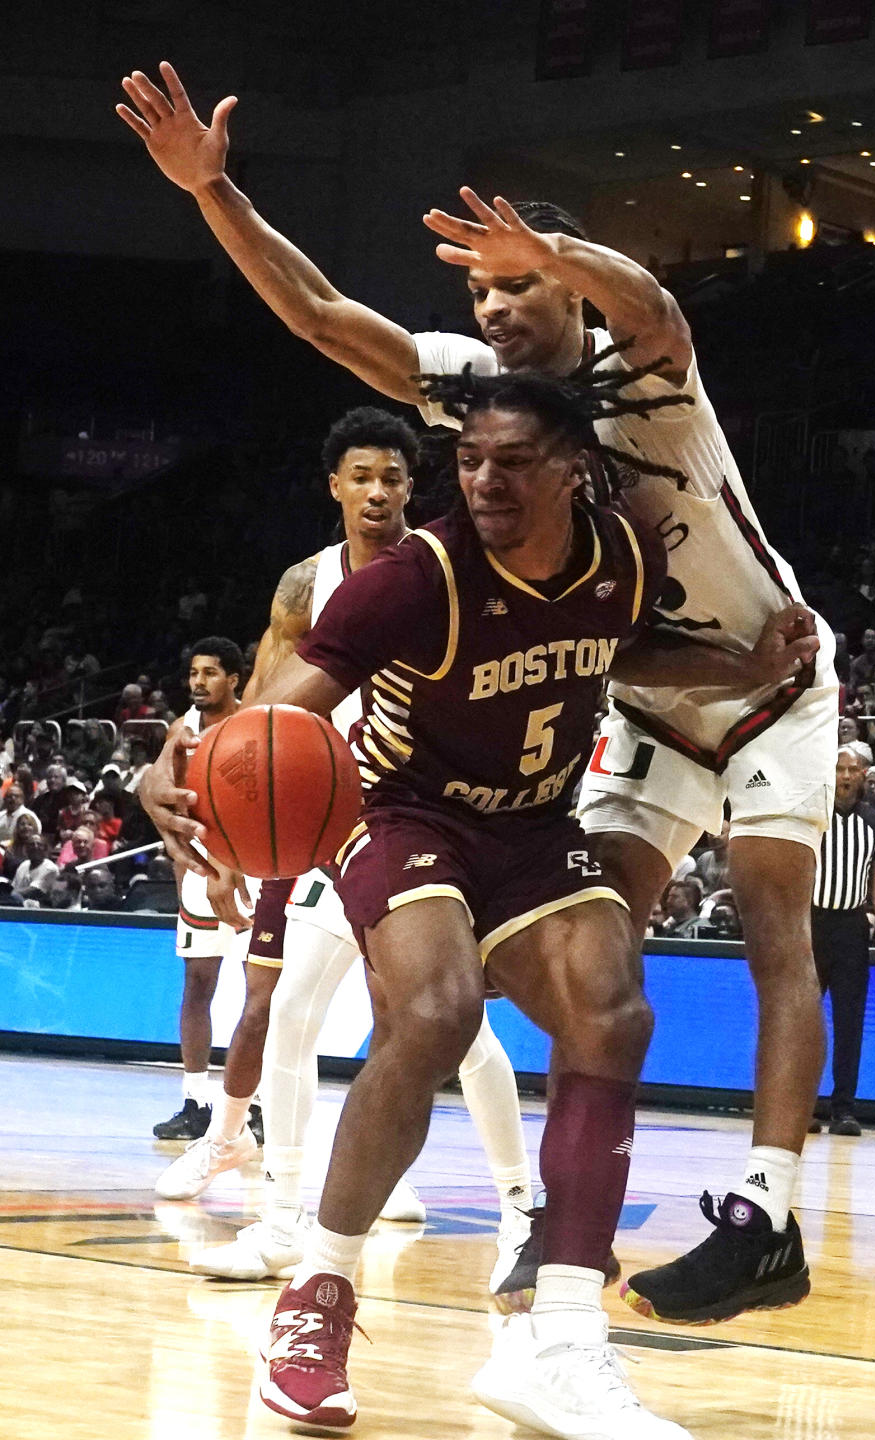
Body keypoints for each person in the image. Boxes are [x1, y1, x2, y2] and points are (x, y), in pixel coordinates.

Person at [117, 63, 837, 1327]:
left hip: (770, 674)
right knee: (579, 973)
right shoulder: (484, 402)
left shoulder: (649, 371)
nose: (495, 306)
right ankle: (551, 1234)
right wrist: (215, 193)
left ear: (569, 289)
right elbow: (329, 318)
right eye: (482, 289)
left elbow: (660, 301)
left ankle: (767, 1214)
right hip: (648, 686)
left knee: (779, 929)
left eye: (517, 285)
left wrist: (554, 239)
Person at [141, 363, 814, 1439]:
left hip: (537, 829)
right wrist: (176, 768)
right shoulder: (415, 577)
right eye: (469, 462)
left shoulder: (621, 553)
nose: (486, 482)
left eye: (514, 462)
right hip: (404, 818)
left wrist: (739, 666)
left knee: (614, 1008)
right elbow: (276, 718)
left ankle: (562, 1342)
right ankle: (315, 1298)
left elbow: (620, 645)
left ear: (575, 472)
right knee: (440, 1010)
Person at [156, 411, 442, 1232]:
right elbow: (255, 711)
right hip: (308, 809)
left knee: (405, 1013)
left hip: (400, 807)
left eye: (392, 476)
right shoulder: (303, 583)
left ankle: (382, 1171)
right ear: (336, 487)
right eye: (362, 476)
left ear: (411, 486)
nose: (378, 491)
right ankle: (227, 1136)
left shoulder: (439, 573)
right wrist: (198, 780)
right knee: (264, 1001)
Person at [152, 637, 246, 1142]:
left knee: (262, 992)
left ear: (234, 679)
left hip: (253, 870)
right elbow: (168, 812)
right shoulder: (180, 731)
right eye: (194, 673)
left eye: (210, 673)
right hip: (201, 872)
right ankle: (196, 1101)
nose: (198, 682)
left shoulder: (257, 722)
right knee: (197, 988)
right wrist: (181, 872)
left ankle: (254, 1104)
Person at [808, 747, 875, 1138]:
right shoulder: (812, 817)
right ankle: (802, 1106)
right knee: (803, 1022)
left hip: (850, 927)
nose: (845, 776)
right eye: (839, 768)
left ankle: (843, 1109)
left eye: (851, 769)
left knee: (849, 1023)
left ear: (863, 774)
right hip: (809, 923)